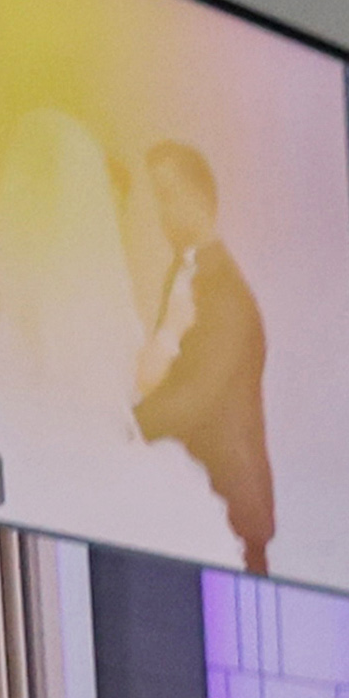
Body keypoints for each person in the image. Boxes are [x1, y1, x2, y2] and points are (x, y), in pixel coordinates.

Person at [127, 141, 277, 573]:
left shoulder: (226, 295)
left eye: (167, 196)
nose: (160, 212)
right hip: (190, 501)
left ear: (200, 197)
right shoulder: (184, 272)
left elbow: (196, 398)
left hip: (229, 512)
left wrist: (123, 427)